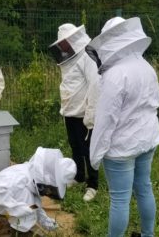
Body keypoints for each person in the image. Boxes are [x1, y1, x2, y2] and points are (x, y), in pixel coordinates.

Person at [86, 17, 159, 237]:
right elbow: (154, 103)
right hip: (147, 140)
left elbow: (105, 120)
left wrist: (95, 155)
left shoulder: (115, 75)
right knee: (144, 187)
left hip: (121, 148)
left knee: (120, 199)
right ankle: (148, 234)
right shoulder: (146, 67)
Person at [48, 23, 100, 202]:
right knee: (75, 145)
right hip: (70, 111)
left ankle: (93, 184)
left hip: (84, 113)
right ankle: (78, 176)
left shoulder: (87, 56)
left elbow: (95, 84)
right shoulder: (67, 59)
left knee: (88, 150)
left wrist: (91, 113)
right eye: (60, 43)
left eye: (65, 42)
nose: (62, 46)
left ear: (73, 40)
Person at [0, 147, 76, 235]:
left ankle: (20, 220)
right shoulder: (21, 180)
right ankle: (20, 232)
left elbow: (35, 204)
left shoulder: (31, 177)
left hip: (6, 198)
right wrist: (22, 209)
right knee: (27, 210)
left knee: (30, 203)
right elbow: (0, 190)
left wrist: (44, 220)